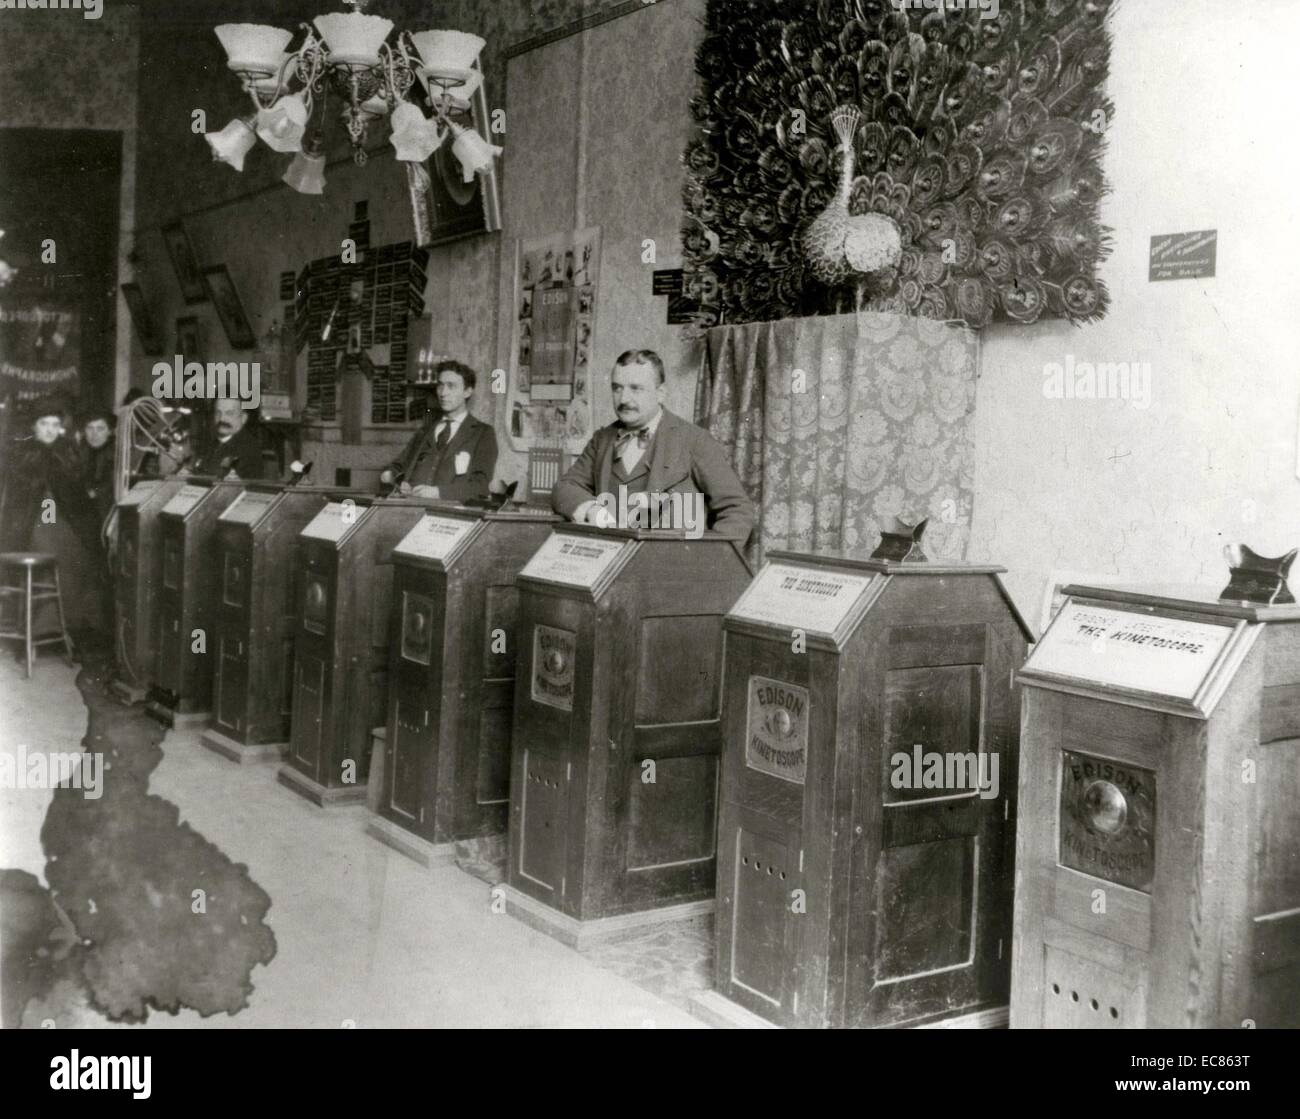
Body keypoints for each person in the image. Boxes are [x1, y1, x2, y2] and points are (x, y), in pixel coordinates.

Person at [552, 349, 755, 541]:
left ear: (660, 393)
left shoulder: (695, 440)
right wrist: (591, 509)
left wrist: (702, 560)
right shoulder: (602, 440)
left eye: (636, 388)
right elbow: (565, 487)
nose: (624, 399)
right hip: (610, 564)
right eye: (617, 388)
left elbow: (738, 510)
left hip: (671, 569)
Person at [380, 360, 497, 503]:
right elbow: (396, 467)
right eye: (440, 385)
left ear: (467, 391)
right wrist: (394, 480)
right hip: (409, 508)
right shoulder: (425, 430)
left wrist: (438, 492)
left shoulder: (483, 433)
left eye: (451, 386)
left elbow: (480, 487)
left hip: (450, 515)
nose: (443, 392)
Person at [190, 397, 268, 479]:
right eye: (218, 412)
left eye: (229, 413)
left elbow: (248, 487)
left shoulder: (249, 449)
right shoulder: (212, 443)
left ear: (243, 418)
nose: (222, 418)